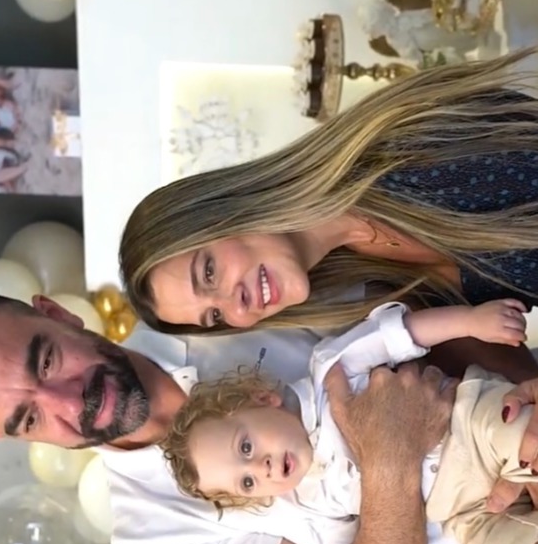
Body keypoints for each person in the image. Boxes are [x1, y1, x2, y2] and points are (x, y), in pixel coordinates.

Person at [0, 292, 538, 544]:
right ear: (11, 439)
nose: (70, 402)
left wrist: (522, 400)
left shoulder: (208, 305)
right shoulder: (154, 540)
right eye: (29, 418)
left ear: (58, 314)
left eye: (44, 361)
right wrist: (389, 456)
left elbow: (417, 309)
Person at [119, 51, 538, 335]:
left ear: (223, 209)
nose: (237, 308)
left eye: (209, 273)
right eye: (215, 316)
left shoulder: (398, 150)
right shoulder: (382, 289)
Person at [162, 299, 537, 544]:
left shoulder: (329, 372)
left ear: (262, 399)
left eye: (246, 447)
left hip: (469, 423)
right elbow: (331, 543)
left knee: (522, 436)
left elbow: (399, 333)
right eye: (247, 482)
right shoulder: (305, 502)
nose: (262, 468)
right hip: (464, 509)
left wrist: (469, 321)